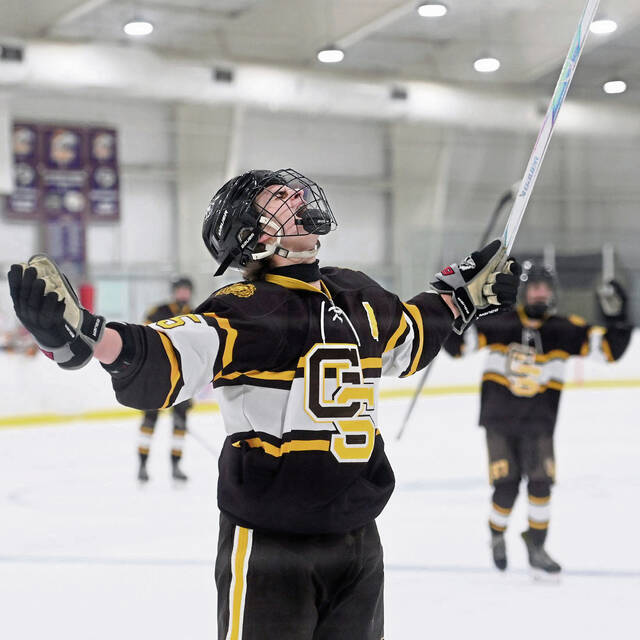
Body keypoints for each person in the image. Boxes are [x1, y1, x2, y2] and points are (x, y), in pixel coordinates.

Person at [9, 168, 520, 639]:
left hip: (359, 539)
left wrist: (460, 297)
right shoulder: (247, 309)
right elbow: (174, 351)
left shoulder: (357, 293)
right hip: (272, 547)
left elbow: (408, 337)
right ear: (253, 233)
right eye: (279, 197)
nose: (297, 195)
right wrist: (86, 337)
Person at [443, 261, 632, 577]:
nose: (540, 292)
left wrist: (618, 315)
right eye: (535, 287)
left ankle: (536, 545)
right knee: (506, 487)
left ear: (553, 293)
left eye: (546, 287)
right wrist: (452, 307)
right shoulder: (500, 323)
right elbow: (458, 345)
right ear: (524, 291)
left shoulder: (564, 329)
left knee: (541, 484)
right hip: (499, 421)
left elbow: (610, 351)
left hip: (539, 424)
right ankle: (497, 534)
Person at [137, 276, 194, 483]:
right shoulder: (158, 312)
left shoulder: (197, 315)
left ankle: (176, 466)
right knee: (149, 421)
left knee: (180, 426)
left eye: (186, 290)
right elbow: (143, 337)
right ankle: (142, 465)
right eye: (180, 289)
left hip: (183, 380)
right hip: (155, 377)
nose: (183, 293)